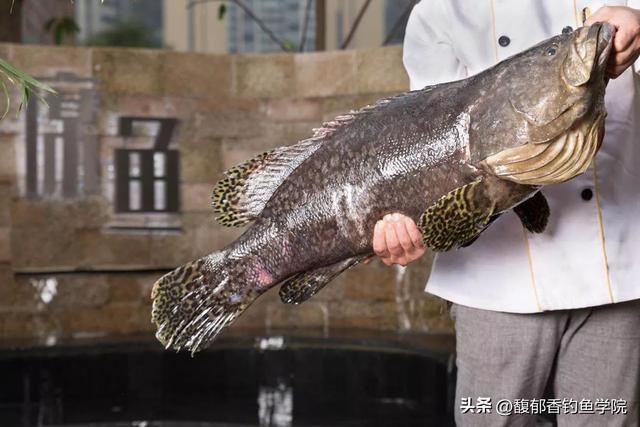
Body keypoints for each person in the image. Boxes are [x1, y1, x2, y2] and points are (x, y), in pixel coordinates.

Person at [372, 2, 640, 426]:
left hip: (617, 265)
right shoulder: (439, 12)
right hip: (496, 282)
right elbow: (431, 147)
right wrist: (408, 221)